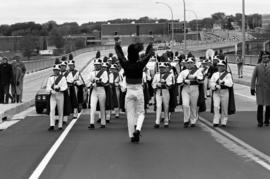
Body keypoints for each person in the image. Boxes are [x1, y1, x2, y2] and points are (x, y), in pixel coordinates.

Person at [115, 40, 154, 143]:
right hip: (139, 90)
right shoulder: (140, 64)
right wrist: (150, 44)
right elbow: (148, 55)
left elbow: (120, 56)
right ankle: (138, 129)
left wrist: (117, 44)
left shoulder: (125, 64)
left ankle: (132, 136)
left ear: (129, 55)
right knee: (141, 113)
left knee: (130, 114)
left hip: (129, 91)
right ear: (137, 55)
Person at [177, 57, 204, 128]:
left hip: (194, 88)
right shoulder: (183, 72)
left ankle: (193, 121)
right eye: (188, 63)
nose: (189, 64)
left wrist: (194, 78)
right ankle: (186, 120)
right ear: (185, 64)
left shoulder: (197, 71)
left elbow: (201, 80)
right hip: (185, 89)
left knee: (193, 106)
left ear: (193, 63)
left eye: (191, 63)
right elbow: (178, 81)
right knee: (185, 105)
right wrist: (184, 81)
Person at [210, 60, 234, 127]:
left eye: (221, 66)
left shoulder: (228, 74)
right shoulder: (215, 74)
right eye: (219, 66)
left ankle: (224, 121)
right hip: (216, 92)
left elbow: (230, 83)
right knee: (216, 106)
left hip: (224, 91)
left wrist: (224, 82)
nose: (219, 67)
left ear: (224, 67)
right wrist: (215, 86)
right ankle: (216, 121)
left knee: (224, 107)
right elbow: (211, 82)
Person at [87, 59, 108, 129]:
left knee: (102, 107)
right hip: (94, 91)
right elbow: (88, 81)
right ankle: (91, 123)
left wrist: (99, 81)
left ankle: (103, 123)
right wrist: (92, 84)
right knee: (92, 107)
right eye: (95, 65)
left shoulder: (104, 72)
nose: (96, 66)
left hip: (101, 90)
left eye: (98, 64)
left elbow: (105, 82)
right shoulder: (92, 73)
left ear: (100, 65)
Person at [46, 64, 68, 131]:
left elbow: (65, 87)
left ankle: (60, 125)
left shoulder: (63, 78)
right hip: (53, 96)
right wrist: (51, 90)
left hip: (60, 95)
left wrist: (60, 88)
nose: (56, 71)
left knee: (60, 110)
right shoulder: (50, 78)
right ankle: (52, 125)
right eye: (55, 70)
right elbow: (48, 87)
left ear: (59, 70)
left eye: (57, 70)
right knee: (52, 110)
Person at [152, 62, 174, 128]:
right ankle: (157, 122)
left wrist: (165, 83)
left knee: (166, 106)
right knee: (158, 106)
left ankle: (166, 121)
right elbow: (153, 83)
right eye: (160, 68)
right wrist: (156, 85)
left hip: (165, 91)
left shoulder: (170, 75)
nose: (161, 69)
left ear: (165, 68)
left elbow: (171, 84)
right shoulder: (156, 75)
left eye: (163, 68)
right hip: (158, 92)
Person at [251, 54, 270, 127]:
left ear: (269, 58)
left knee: (268, 106)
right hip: (260, 89)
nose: (265, 59)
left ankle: (267, 120)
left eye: (267, 57)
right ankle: (260, 121)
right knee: (260, 106)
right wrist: (252, 88)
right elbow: (253, 78)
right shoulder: (257, 66)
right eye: (264, 57)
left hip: (269, 89)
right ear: (261, 58)